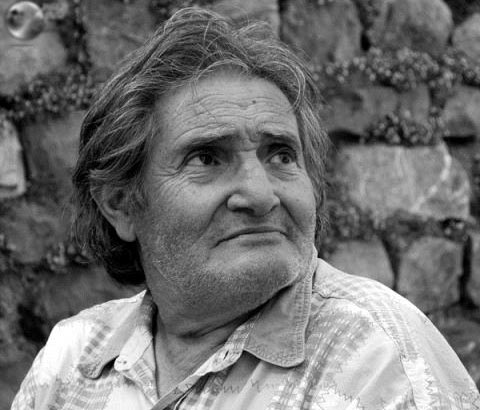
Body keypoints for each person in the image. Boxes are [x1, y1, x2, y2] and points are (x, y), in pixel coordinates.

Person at [11, 7, 480, 410]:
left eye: (281, 155)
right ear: (120, 204)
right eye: (206, 158)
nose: (260, 195)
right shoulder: (73, 358)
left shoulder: (374, 357)